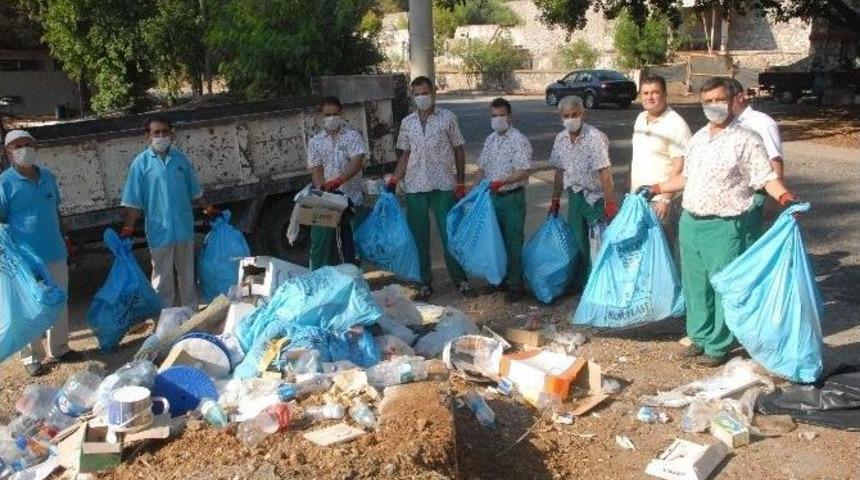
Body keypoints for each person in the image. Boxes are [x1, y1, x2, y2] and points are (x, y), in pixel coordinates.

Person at [639, 77, 798, 367]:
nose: (713, 106)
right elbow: (687, 178)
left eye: (718, 100)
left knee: (722, 286)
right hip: (692, 222)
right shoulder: (699, 138)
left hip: (724, 226)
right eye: (707, 102)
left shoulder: (746, 139)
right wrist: (657, 188)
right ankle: (698, 336)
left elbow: (765, 178)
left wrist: (785, 198)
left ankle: (718, 344)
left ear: (732, 101)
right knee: (695, 284)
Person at [387, 76, 476, 301]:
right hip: (416, 186)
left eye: (425, 92)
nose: (422, 97)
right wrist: (395, 180)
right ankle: (424, 283)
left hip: (443, 184)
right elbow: (405, 154)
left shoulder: (448, 118)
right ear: (413, 96)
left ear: (433, 93)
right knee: (419, 238)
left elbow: (459, 149)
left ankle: (460, 280)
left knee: (450, 235)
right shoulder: (407, 123)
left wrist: (460, 182)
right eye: (417, 94)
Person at [1, 130, 81, 376]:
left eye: (28, 144)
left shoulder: (47, 177)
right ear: (8, 152)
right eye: (18, 146)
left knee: (59, 299)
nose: (24, 149)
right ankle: (31, 359)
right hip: (26, 260)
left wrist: (66, 237)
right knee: (30, 306)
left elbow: (56, 210)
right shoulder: (4, 182)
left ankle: (60, 348)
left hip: (54, 250)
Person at [120, 117, 218, 311]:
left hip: (183, 226)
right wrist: (127, 228)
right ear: (147, 135)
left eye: (165, 131)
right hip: (159, 230)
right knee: (162, 278)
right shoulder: (140, 164)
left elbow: (194, 189)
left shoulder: (180, 159)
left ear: (171, 133)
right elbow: (133, 201)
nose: (161, 136)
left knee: (187, 276)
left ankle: (190, 314)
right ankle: (165, 319)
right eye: (156, 132)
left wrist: (207, 208)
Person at [548, 95, 619, 289]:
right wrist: (555, 199)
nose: (571, 119)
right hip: (574, 196)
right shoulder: (560, 139)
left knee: (598, 244)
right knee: (577, 242)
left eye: (574, 114)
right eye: (566, 116)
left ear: (582, 113)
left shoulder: (595, 138)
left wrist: (610, 203)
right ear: (560, 116)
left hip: (595, 198)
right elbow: (559, 171)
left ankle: (600, 285)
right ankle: (582, 285)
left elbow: (605, 172)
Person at [475, 97, 532, 302]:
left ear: (509, 116)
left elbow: (524, 170)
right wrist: (476, 189)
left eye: (501, 115)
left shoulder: (519, 140)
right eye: (494, 116)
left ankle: (516, 285)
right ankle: (498, 280)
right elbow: (481, 166)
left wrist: (503, 182)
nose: (497, 120)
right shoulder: (490, 140)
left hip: (512, 198)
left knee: (513, 243)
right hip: (492, 198)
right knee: (494, 242)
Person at [630, 74, 691, 247]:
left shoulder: (676, 124)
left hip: (661, 201)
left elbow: (680, 167)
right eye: (645, 93)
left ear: (664, 95)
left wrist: (666, 199)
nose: (650, 97)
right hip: (639, 198)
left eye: (655, 92)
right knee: (642, 251)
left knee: (662, 252)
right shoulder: (641, 118)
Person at [306, 96, 366, 269]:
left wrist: (339, 181)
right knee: (320, 243)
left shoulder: (353, 136)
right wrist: (322, 190)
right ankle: (319, 279)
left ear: (341, 113)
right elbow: (316, 170)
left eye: (334, 114)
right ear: (321, 116)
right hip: (326, 199)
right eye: (327, 115)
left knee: (350, 244)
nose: (331, 118)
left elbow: (357, 163)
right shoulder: (315, 141)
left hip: (351, 198)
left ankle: (354, 280)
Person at [729, 78, 785, 239]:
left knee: (753, 238)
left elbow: (775, 159)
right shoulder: (727, 123)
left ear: (740, 97)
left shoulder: (762, 123)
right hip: (734, 194)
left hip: (757, 192)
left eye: (725, 99)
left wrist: (774, 198)